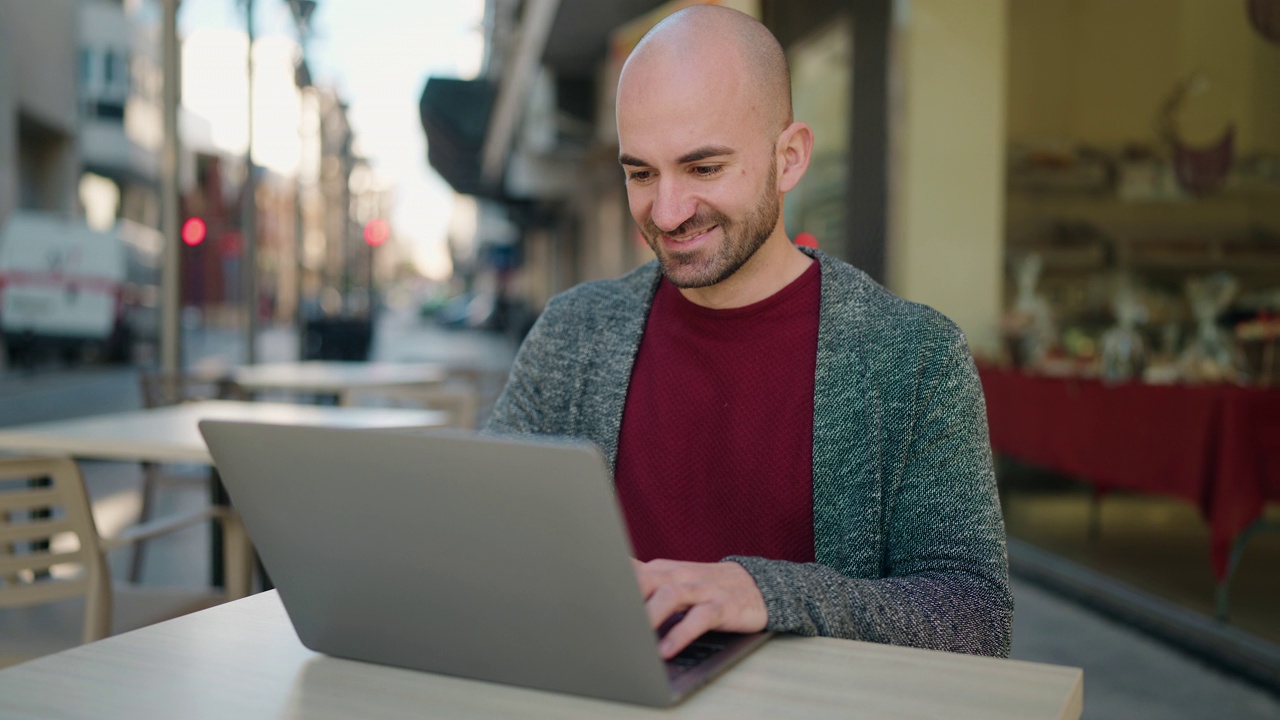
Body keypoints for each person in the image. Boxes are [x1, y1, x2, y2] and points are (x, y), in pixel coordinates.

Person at [485, 4, 1013, 660]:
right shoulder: (574, 334)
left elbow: (976, 616)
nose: (668, 211)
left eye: (704, 168)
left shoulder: (916, 357)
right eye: (641, 173)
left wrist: (765, 593)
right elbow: (488, 536)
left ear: (789, 158)